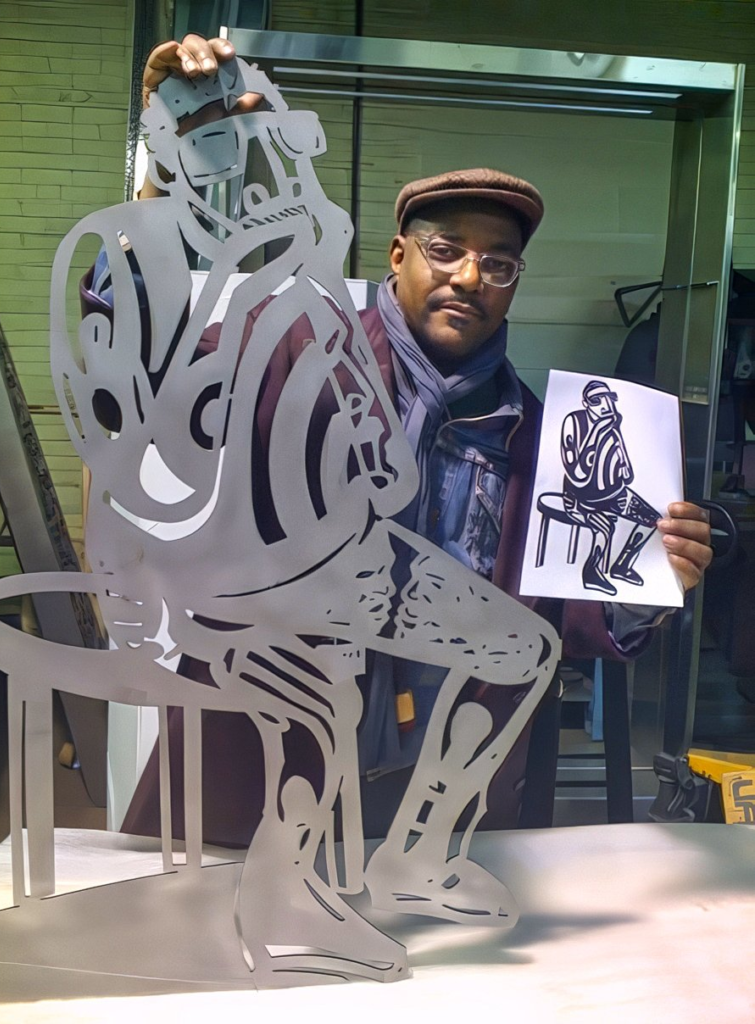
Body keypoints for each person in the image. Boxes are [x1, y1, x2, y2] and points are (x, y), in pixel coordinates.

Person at [100, 36, 712, 848]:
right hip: (269, 756)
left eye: (498, 264)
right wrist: (172, 166)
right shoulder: (290, 353)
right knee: (236, 959)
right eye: (446, 250)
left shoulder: (537, 437)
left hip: (442, 788)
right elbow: (150, 346)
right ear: (398, 256)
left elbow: (565, 615)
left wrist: (648, 578)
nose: (469, 277)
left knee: (434, 974)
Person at [561, 378, 661, 595]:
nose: (605, 405)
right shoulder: (574, 422)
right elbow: (577, 474)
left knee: (653, 519)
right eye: (597, 400)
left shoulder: (612, 427)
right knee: (605, 527)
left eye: (609, 399)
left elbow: (627, 472)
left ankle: (623, 565)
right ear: (585, 403)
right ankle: (591, 573)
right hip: (580, 499)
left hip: (613, 494)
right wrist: (597, 433)